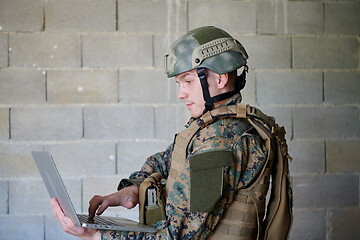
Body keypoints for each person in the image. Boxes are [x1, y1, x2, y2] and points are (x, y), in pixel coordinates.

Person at [51, 26, 292, 240]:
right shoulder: (212, 128)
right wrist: (132, 188)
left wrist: (96, 236)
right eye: (179, 84)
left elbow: (176, 235)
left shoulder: (220, 143)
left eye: (188, 81)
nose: (181, 94)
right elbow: (167, 159)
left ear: (220, 78)